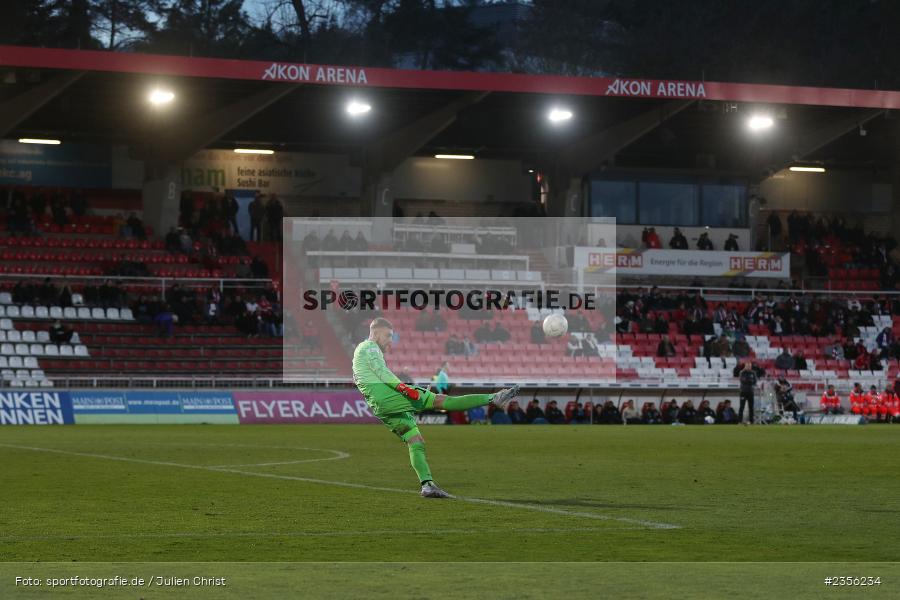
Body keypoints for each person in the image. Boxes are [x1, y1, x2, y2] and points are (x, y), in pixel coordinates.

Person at [352, 318, 519, 498]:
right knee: (444, 401)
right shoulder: (369, 347)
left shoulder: (360, 352)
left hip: (379, 406)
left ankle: (427, 485)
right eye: (388, 336)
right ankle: (494, 398)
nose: (390, 340)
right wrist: (405, 389)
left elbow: (359, 378)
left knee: (415, 440)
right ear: (375, 333)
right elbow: (381, 372)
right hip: (387, 396)